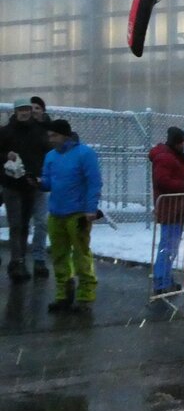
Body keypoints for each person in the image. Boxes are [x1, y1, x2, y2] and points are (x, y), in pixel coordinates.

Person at [40, 119, 102, 314]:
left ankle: (85, 296)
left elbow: (94, 182)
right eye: (49, 136)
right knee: (59, 255)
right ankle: (63, 294)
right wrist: (38, 182)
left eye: (54, 136)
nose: (51, 139)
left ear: (65, 135)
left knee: (81, 254)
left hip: (78, 214)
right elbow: (48, 182)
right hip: (57, 212)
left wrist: (90, 209)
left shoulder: (85, 154)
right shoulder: (51, 156)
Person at [0, 98, 52, 281]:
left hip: (31, 184)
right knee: (15, 224)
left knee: (25, 224)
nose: (24, 112)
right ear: (15, 111)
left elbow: (50, 149)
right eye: (20, 109)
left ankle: (21, 259)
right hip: (11, 184)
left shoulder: (39, 132)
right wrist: (6, 155)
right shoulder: (6, 132)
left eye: (26, 109)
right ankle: (17, 261)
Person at [149, 126, 184, 295]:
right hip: (171, 207)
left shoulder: (172, 156)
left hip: (174, 207)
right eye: (183, 142)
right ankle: (161, 282)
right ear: (177, 142)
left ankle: (164, 278)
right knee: (168, 247)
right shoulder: (167, 158)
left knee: (169, 246)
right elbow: (162, 181)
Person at [26, 96, 51, 277]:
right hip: (21, 182)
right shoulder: (21, 129)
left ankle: (39, 258)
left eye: (37, 107)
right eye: (31, 107)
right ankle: (17, 258)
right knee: (20, 223)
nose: (34, 110)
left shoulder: (50, 131)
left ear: (43, 110)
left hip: (41, 182)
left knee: (41, 222)